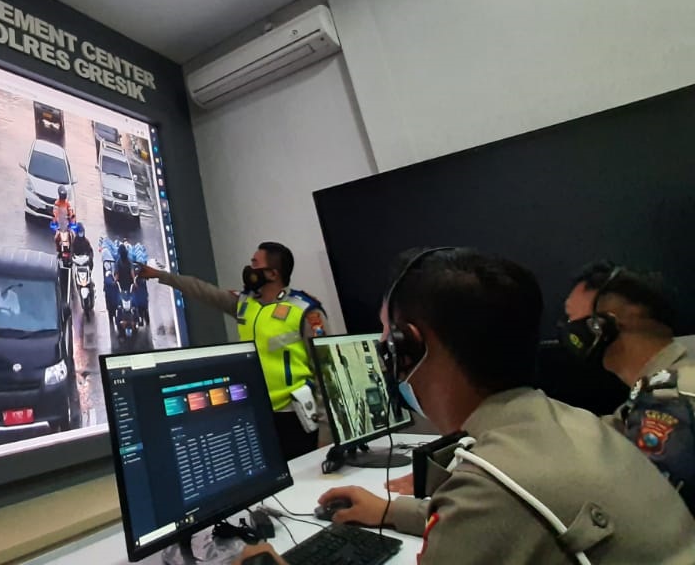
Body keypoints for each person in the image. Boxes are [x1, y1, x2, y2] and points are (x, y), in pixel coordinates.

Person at [275, 248, 695, 565]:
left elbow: (494, 511)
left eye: (387, 346)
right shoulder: (576, 423)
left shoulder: (489, 490)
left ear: (411, 348)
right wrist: (390, 510)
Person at [139, 241, 326, 459]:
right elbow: (202, 290)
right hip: (254, 410)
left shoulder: (304, 309)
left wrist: (326, 434)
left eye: (255, 263)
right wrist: (160, 275)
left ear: (273, 274)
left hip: (294, 416)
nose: (249, 269)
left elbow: (326, 372)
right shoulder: (245, 303)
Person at [562, 261, 695, 515]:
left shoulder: (668, 402)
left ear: (610, 322)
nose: (570, 328)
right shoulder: (655, 389)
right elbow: (604, 434)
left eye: (573, 318)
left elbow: (652, 511)